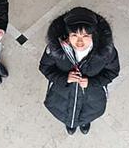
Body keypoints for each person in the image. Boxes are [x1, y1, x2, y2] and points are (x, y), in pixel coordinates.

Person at [39, 7, 120, 135]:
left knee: (88, 112)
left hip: (92, 95)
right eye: (74, 35)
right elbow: (45, 67)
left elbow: (112, 72)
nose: (80, 41)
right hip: (62, 93)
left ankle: (84, 122)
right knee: (64, 111)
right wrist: (65, 78)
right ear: (67, 35)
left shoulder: (105, 52)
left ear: (94, 34)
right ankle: (70, 122)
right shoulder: (56, 49)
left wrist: (91, 82)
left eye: (86, 36)